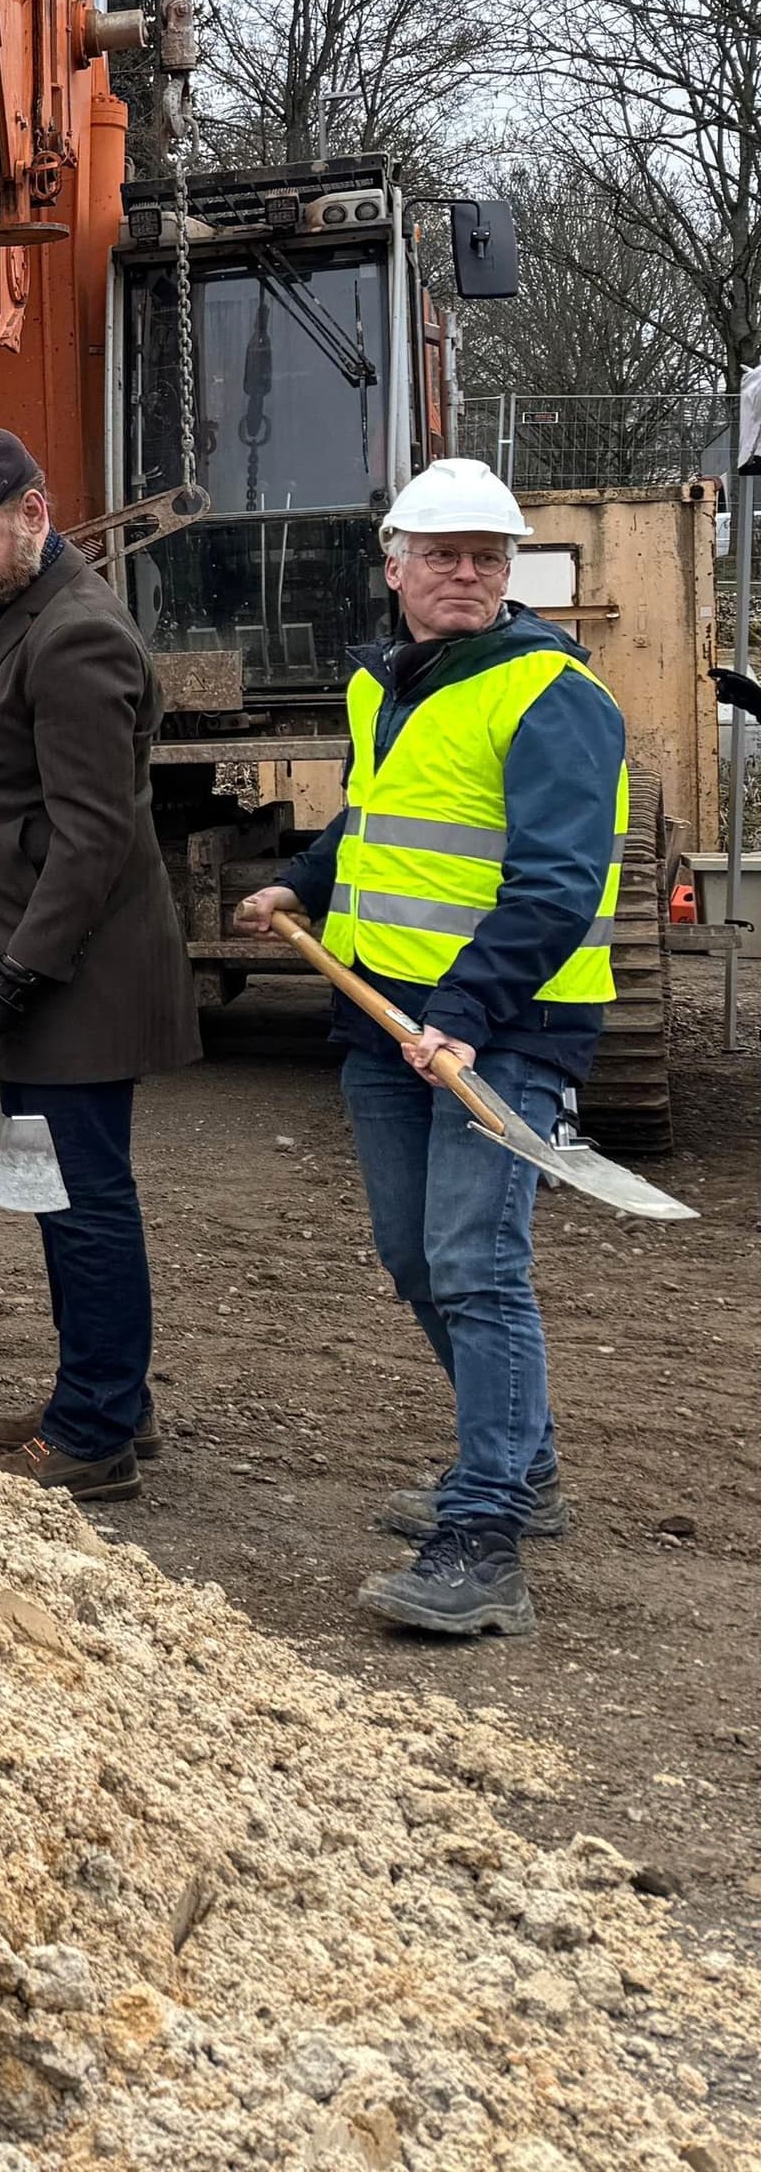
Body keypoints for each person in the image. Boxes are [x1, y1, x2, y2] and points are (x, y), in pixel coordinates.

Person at [237, 458, 629, 1641]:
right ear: (395, 565)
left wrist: (463, 1007)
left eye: (487, 557)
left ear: (509, 571)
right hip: (386, 1020)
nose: (467, 573)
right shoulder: (387, 683)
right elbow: (377, 821)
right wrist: (302, 881)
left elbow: (558, 884)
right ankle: (526, 1466)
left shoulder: (551, 693)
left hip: (505, 1027)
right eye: (444, 555)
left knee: (475, 1265)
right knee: (414, 1256)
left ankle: (487, 1536)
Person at [0, 428, 199, 1502]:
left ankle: (95, 1435)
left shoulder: (77, 634)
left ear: (35, 511)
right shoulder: (12, 605)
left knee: (83, 1199)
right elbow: (5, 750)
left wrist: (17, 976)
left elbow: (93, 835)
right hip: (45, 954)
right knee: (61, 1193)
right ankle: (108, 1393)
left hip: (80, 969)